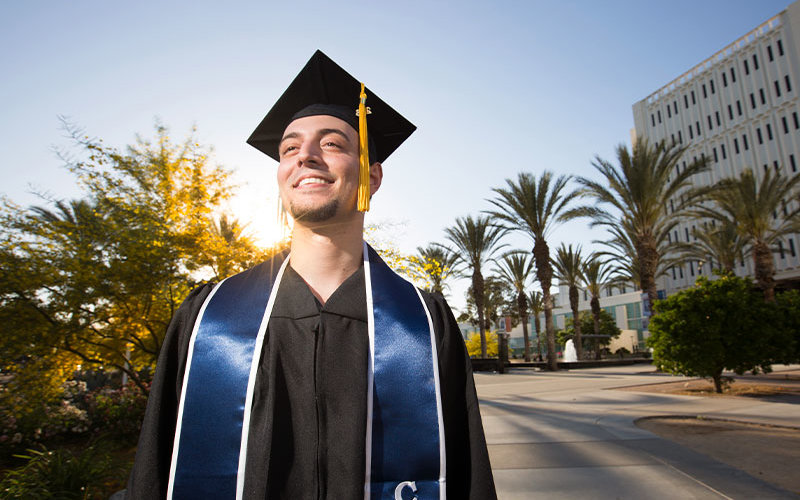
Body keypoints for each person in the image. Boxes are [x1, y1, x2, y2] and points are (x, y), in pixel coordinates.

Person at [125, 50, 496, 500]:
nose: (306, 157)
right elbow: (155, 468)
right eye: (289, 148)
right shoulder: (208, 318)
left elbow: (465, 474)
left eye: (333, 143)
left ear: (372, 177)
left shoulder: (422, 321)